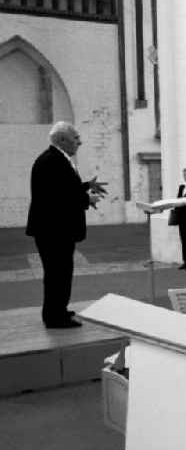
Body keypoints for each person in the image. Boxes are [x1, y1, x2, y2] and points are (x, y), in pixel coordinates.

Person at [26, 122, 106, 328]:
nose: (80, 142)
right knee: (57, 274)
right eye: (76, 138)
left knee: (60, 272)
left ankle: (58, 310)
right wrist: (86, 200)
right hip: (53, 231)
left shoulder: (56, 159)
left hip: (55, 230)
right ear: (62, 140)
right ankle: (54, 317)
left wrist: (87, 186)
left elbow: (63, 189)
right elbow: (58, 198)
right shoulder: (52, 161)